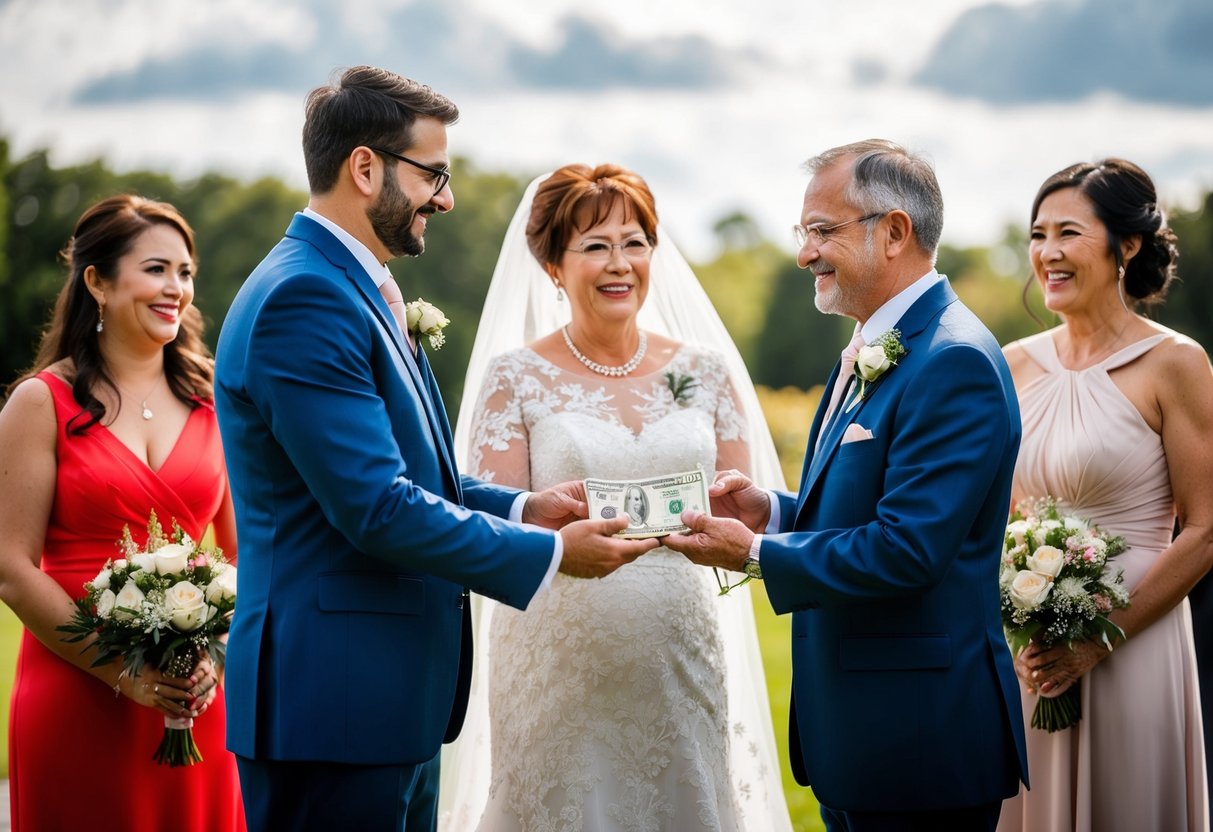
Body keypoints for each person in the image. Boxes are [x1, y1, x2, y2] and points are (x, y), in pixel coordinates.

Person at [214, 69, 657, 832]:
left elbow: (421, 477)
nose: (445, 198)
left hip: (381, 699)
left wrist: (527, 509)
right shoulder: (304, 298)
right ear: (364, 168)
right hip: (334, 703)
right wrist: (549, 557)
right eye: (433, 174)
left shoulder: (359, 286)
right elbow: (376, 506)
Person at [665, 139, 1028, 831]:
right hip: (862, 734)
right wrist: (770, 512)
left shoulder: (952, 361)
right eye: (804, 232)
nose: (805, 253)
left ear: (893, 232)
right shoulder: (872, 345)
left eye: (822, 230)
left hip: (918, 739)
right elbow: (862, 512)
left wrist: (751, 553)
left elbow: (907, 550)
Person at [439, 164, 792, 830]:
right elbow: (492, 524)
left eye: (634, 242)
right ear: (551, 265)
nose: (619, 263)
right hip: (556, 660)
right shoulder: (515, 377)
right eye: (595, 245)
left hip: (679, 651)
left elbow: (735, 513)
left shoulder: (704, 372)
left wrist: (724, 525)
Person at [0, 194, 243, 831]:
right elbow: (10, 566)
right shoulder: (39, 402)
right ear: (97, 283)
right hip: (75, 690)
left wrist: (213, 656)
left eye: (186, 272)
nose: (177, 288)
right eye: (157, 268)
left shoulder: (216, 401)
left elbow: (248, 555)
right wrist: (122, 673)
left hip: (197, 699)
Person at [997, 159, 1213, 832]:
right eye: (1037, 234)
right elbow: (998, 518)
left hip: (1134, 639)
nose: (1047, 253)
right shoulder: (1011, 364)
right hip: (1032, 649)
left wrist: (1099, 638)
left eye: (1068, 232)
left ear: (1126, 245)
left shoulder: (1174, 363)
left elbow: (1205, 529)